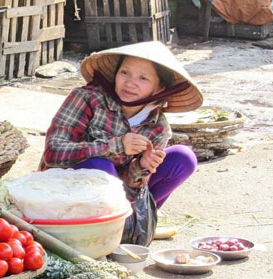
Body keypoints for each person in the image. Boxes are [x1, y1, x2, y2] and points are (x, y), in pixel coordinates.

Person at [41, 41, 202, 209]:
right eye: (125, 72)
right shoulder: (87, 99)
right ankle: (105, 224)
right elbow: (52, 153)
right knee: (99, 165)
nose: (130, 83)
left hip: (121, 202)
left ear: (159, 88)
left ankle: (131, 224)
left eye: (143, 78)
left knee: (183, 157)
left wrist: (142, 167)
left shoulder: (158, 129)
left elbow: (132, 188)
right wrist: (117, 146)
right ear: (116, 74)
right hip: (68, 194)